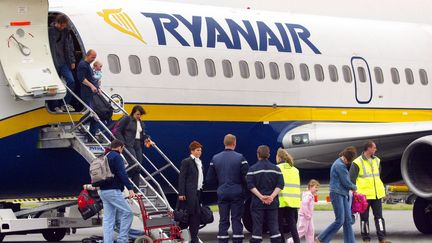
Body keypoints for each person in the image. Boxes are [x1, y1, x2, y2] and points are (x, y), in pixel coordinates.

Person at [206, 134, 249, 243]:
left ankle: (223, 240)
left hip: (222, 192)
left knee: (223, 220)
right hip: (237, 193)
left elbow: (209, 179)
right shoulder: (240, 158)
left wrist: (220, 185)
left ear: (224, 143)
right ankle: (237, 240)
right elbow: (246, 178)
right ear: (234, 143)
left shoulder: (215, 158)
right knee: (236, 219)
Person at [350, 141, 391, 243]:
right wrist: (355, 194)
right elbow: (351, 180)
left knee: (379, 217)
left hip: (377, 195)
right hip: (363, 197)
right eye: (374, 147)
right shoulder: (357, 162)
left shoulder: (377, 160)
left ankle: (382, 239)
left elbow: (378, 175)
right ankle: (366, 239)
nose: (375, 149)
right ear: (368, 148)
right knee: (364, 219)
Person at [316, 146, 358, 243]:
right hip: (337, 194)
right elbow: (346, 182)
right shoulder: (340, 166)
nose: (349, 162)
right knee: (340, 220)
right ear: (347, 158)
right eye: (349, 160)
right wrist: (354, 187)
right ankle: (322, 239)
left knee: (347, 220)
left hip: (342, 194)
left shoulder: (340, 163)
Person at [99, 139, 135, 243]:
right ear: (120, 147)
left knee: (108, 219)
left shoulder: (105, 156)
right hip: (113, 191)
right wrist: (130, 188)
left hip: (103, 191)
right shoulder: (117, 157)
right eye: (122, 148)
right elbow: (122, 174)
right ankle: (122, 240)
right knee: (128, 213)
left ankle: (108, 241)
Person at [247, 145, 284, 243]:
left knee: (257, 229)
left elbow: (250, 185)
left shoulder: (252, 169)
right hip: (272, 203)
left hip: (257, 204)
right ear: (269, 155)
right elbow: (280, 185)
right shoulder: (276, 169)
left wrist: (261, 197)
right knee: (274, 228)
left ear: (258, 155)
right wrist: (271, 197)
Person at [115, 105, 153, 189]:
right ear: (133, 113)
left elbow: (142, 135)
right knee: (133, 163)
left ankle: (135, 190)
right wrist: (122, 142)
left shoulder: (141, 123)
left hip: (138, 145)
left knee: (138, 167)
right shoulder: (127, 119)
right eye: (137, 114)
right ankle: (119, 178)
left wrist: (147, 138)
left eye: (140, 115)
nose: (139, 116)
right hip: (128, 144)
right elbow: (118, 131)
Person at [48, 14, 76, 112]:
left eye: (64, 25)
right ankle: (54, 105)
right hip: (52, 62)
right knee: (54, 84)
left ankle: (65, 103)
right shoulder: (49, 31)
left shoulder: (66, 32)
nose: (63, 27)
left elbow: (70, 48)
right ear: (57, 23)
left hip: (64, 62)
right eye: (62, 25)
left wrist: (72, 61)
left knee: (71, 81)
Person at [178, 141, 205, 243]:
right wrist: (181, 193)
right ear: (192, 150)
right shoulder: (187, 161)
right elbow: (182, 178)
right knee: (187, 215)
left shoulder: (199, 162)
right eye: (198, 150)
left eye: (200, 150)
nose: (200, 152)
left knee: (196, 215)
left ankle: (193, 237)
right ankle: (182, 235)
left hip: (198, 193)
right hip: (189, 194)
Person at [276, 148, 301, 243]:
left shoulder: (277, 168)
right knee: (292, 225)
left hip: (280, 200)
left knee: (279, 225)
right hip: (292, 201)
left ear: (278, 157)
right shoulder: (295, 170)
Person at [77, 49, 100, 139]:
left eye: (95, 58)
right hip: (87, 93)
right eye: (92, 57)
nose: (94, 59)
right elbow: (81, 78)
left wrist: (98, 88)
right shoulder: (83, 65)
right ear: (87, 55)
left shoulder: (87, 65)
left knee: (95, 114)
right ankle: (80, 124)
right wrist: (91, 86)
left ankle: (91, 136)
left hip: (91, 92)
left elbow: (91, 78)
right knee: (92, 114)